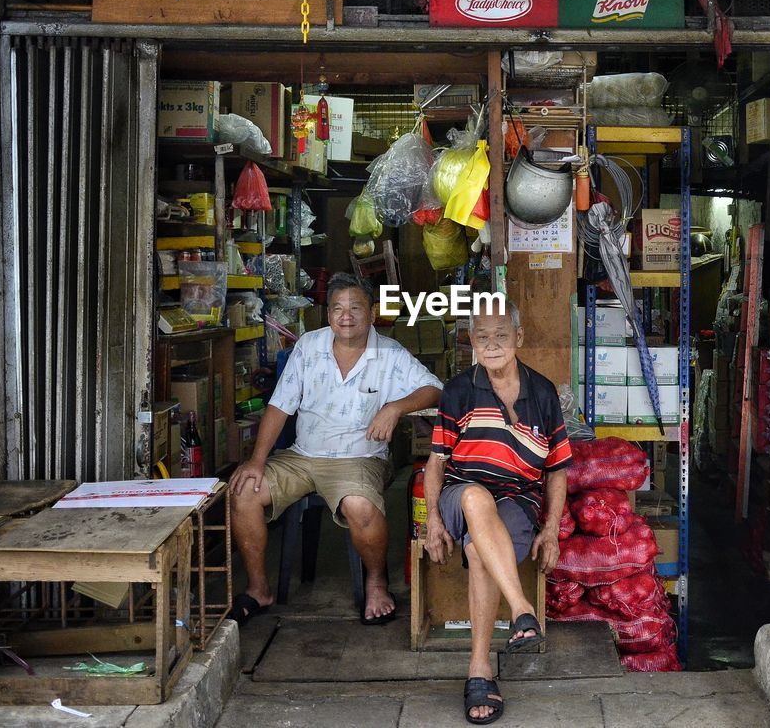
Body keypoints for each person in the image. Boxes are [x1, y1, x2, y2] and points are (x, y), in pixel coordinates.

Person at [228, 272, 442, 624]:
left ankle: (376, 582)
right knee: (244, 491)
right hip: (302, 456)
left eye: (355, 308)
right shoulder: (308, 346)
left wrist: (394, 408)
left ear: (371, 313)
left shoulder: (389, 353)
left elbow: (434, 389)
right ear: (328, 315)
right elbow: (280, 405)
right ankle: (258, 588)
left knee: (359, 505)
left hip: (359, 458)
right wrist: (256, 461)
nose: (346, 316)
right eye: (338, 308)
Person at [423, 298, 571, 725]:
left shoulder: (542, 392)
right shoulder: (458, 390)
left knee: (479, 550)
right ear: (472, 341)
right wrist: (433, 518)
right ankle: (522, 610)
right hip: (459, 497)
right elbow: (436, 462)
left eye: (501, 335)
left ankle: (480, 671)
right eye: (481, 336)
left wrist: (552, 529)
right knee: (474, 498)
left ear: (519, 338)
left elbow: (557, 469)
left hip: (518, 501)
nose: (491, 344)